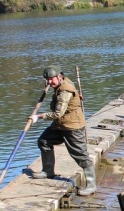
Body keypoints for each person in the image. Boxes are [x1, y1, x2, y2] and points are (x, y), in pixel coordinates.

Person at [29, 65, 96, 196]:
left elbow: (57, 113)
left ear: (59, 77)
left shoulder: (65, 91)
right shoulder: (63, 81)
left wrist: (38, 116)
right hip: (61, 125)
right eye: (47, 80)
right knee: (44, 141)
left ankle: (91, 185)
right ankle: (48, 171)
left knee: (80, 155)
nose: (49, 82)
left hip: (72, 127)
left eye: (51, 79)